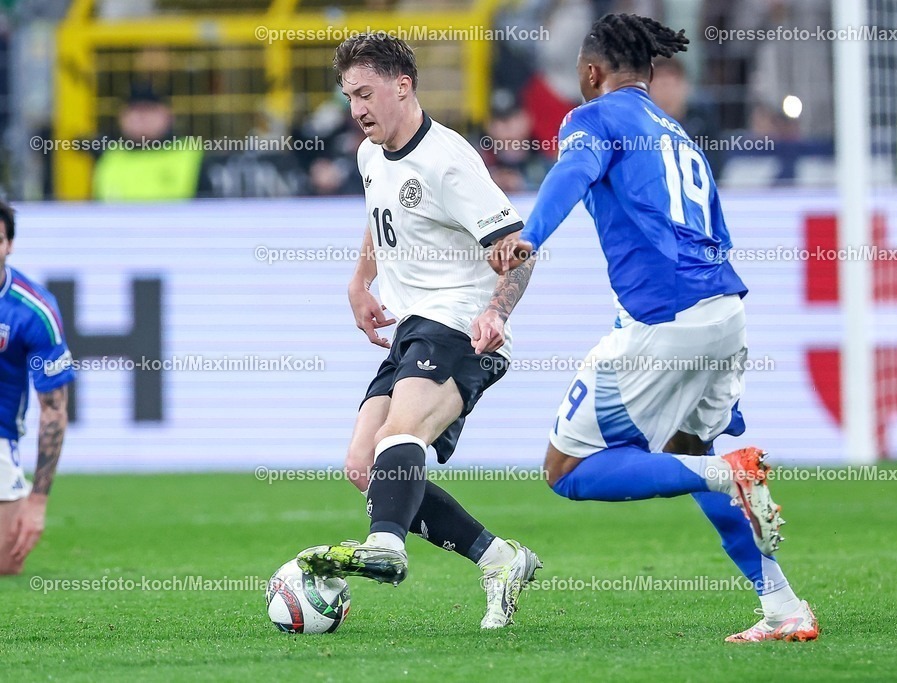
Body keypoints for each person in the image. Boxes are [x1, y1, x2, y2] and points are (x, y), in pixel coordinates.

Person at [489, 13, 818, 643]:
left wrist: (526, 236)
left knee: (567, 469)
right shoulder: (678, 134)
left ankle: (730, 473)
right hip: (725, 310)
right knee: (687, 451)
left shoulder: (592, 118)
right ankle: (783, 606)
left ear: (591, 73)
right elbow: (716, 235)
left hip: (666, 322)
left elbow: (570, 174)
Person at [296, 34, 541, 629]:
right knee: (363, 466)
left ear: (402, 85)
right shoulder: (369, 154)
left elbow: (520, 250)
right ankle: (499, 557)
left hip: (457, 322)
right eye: (349, 95)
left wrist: (496, 313)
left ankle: (387, 545)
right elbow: (381, 222)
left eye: (365, 93)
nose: (356, 108)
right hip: (411, 325)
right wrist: (360, 282)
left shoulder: (449, 159)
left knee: (400, 434)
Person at [0, 200, 74, 574]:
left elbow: (54, 409)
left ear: (8, 245)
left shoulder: (33, 310)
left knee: (6, 563)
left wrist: (38, 502)